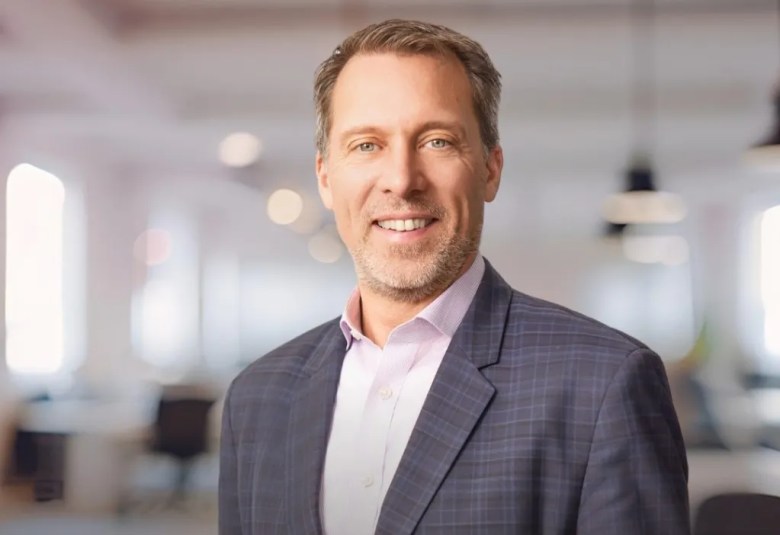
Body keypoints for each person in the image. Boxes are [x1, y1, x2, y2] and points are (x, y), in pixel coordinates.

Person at [219, 19, 690, 535]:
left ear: (490, 169)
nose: (401, 179)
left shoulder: (604, 383)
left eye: (437, 141)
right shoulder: (256, 398)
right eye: (366, 145)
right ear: (326, 178)